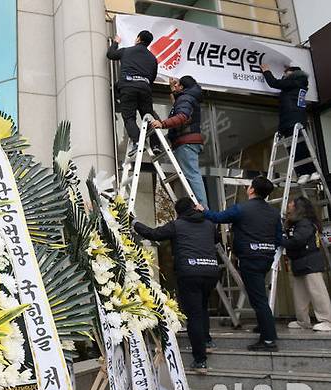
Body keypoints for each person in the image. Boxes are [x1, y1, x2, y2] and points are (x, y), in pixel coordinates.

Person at [134, 197, 219, 373]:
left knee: (194, 314)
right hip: (211, 271)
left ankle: (200, 359)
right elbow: (217, 239)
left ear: (178, 212)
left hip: (190, 272)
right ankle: (207, 340)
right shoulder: (209, 224)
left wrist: (134, 223)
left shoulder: (177, 225)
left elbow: (153, 234)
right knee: (202, 308)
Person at [198, 176, 281, 351]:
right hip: (266, 258)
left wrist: (202, 210)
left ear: (251, 190)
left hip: (250, 258)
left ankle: (268, 340)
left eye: (249, 185)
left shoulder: (242, 209)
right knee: (259, 295)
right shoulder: (273, 213)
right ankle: (264, 326)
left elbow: (217, 217)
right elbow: (278, 238)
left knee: (258, 299)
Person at [150, 75, 208, 208]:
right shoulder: (189, 97)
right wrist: (173, 89)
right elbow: (177, 104)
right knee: (190, 175)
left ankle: (203, 208)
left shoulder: (185, 99)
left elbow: (182, 116)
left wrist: (162, 124)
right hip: (189, 141)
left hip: (186, 142)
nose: (175, 86)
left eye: (178, 85)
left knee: (192, 175)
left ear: (183, 87)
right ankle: (200, 206)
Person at [107, 30, 160, 157]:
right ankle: (155, 144)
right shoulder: (153, 58)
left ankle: (137, 143)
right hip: (145, 88)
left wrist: (115, 42)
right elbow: (152, 77)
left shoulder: (127, 51)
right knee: (149, 117)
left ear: (138, 39)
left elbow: (110, 54)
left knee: (129, 118)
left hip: (128, 87)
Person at [281, 196, 331, 331]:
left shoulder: (305, 223)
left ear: (298, 208)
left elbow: (297, 241)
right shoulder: (298, 224)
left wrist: (280, 240)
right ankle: (302, 321)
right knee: (300, 294)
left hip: (310, 262)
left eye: (290, 205)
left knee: (317, 292)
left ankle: (327, 320)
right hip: (300, 262)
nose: (288, 208)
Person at [260, 64, 316, 184]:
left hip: (292, 120)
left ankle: (308, 171)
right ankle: (305, 172)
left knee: (298, 148)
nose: (284, 75)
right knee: (295, 148)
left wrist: (266, 71)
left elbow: (274, 83)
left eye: (286, 73)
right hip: (291, 120)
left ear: (293, 74)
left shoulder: (295, 82)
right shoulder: (297, 84)